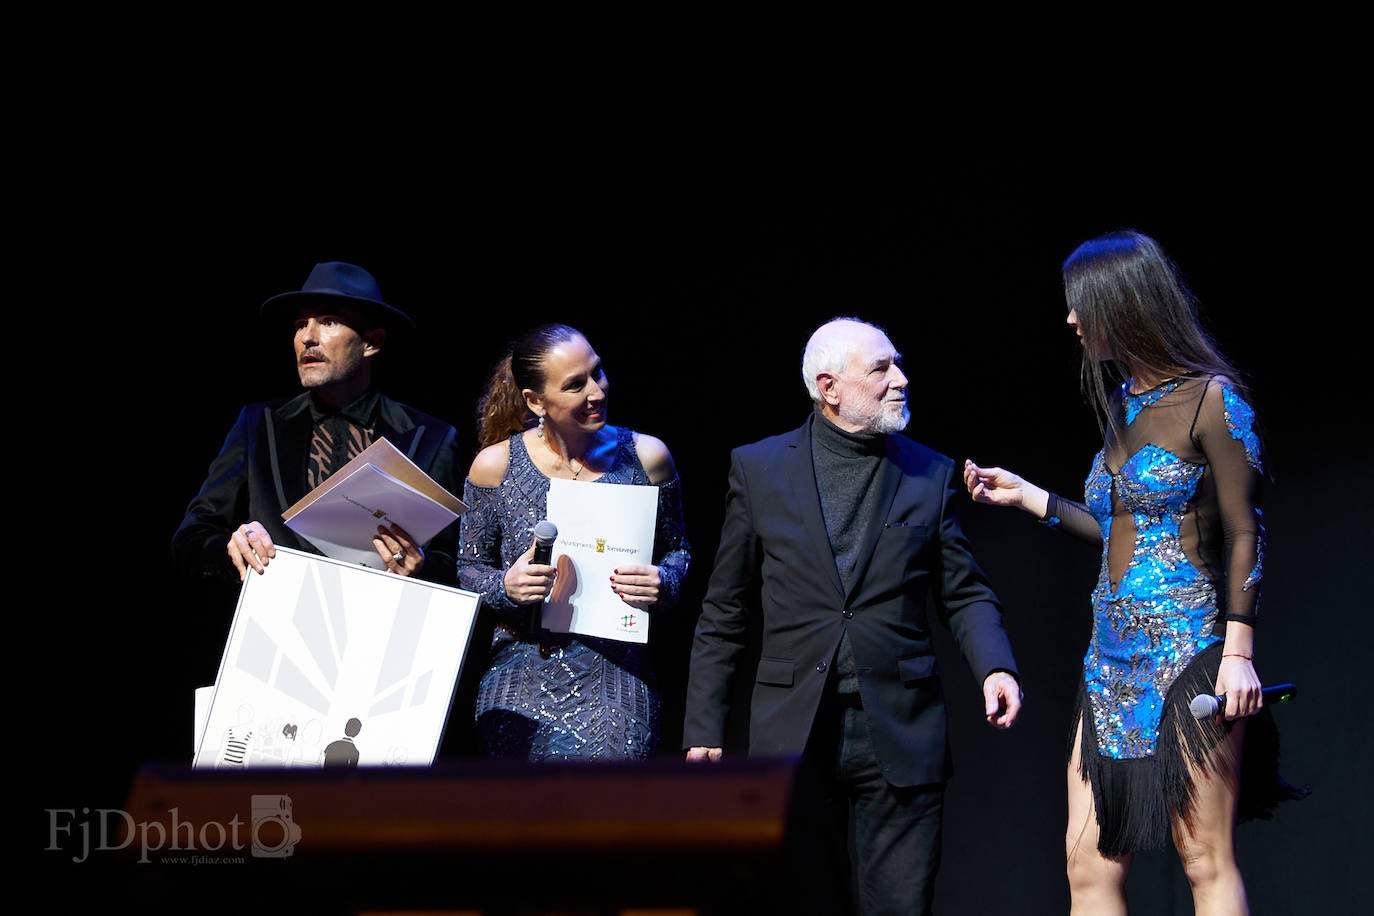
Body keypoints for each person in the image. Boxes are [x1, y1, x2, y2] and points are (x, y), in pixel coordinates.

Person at [963, 230, 1307, 915]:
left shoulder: (1214, 400)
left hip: (1192, 654)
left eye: (1079, 305)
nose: (1070, 320)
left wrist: (1239, 653)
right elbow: (1126, 529)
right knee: (1085, 865)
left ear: (1123, 304)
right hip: (1110, 666)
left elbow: (1246, 529)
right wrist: (1029, 498)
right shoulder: (1124, 404)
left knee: (1203, 857)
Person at [682, 316, 1023, 916]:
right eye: (881, 368)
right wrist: (704, 728)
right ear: (829, 387)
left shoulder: (929, 472)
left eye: (897, 364)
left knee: (899, 907)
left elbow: (964, 592)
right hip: (792, 731)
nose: (901, 379)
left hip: (898, 723)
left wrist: (995, 666)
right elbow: (725, 608)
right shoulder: (759, 469)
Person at [457, 323, 691, 760]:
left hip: (615, 668)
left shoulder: (647, 457)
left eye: (597, 374)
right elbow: (468, 571)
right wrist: (505, 587)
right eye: (575, 385)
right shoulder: (495, 465)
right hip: (520, 664)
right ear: (534, 401)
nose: (597, 392)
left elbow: (679, 551)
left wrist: (665, 581)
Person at [172, 261, 465, 587]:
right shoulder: (258, 423)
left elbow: (454, 560)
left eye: (328, 321)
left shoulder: (430, 439)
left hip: (377, 622)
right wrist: (232, 546)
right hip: (276, 618)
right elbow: (192, 535)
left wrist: (421, 567)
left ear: (372, 343)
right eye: (300, 324)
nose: (308, 338)